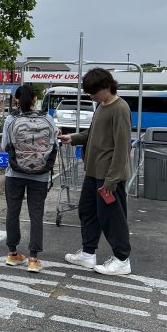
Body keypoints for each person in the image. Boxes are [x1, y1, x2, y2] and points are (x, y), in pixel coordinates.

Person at [59, 68, 132, 276]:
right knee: (87, 211)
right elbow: (92, 133)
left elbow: (122, 147)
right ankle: (88, 253)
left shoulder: (120, 108)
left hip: (109, 176)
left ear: (107, 87)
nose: (92, 96)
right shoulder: (102, 105)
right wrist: (72, 137)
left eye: (94, 92)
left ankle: (122, 259)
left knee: (112, 217)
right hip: (93, 171)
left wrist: (111, 180)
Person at [1, 84, 57, 273]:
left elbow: (4, 146)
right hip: (39, 175)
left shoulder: (11, 119)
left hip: (14, 173)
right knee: (36, 215)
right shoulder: (47, 118)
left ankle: (12, 253)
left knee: (13, 212)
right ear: (35, 99)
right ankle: (33, 259)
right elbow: (53, 144)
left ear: (17, 99)